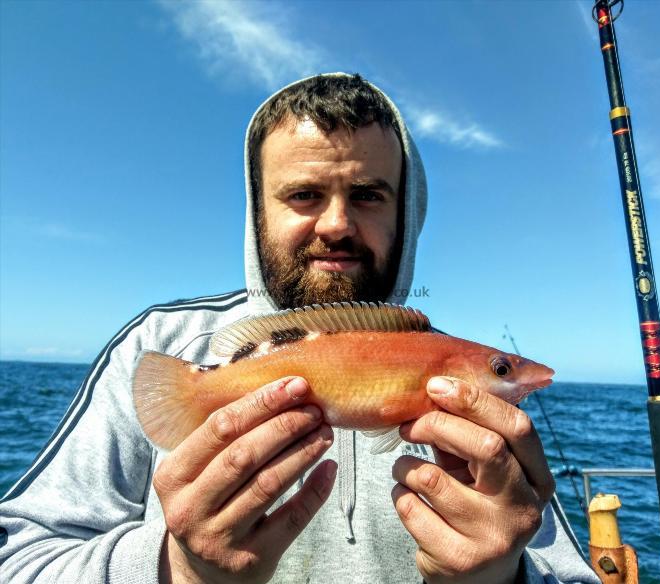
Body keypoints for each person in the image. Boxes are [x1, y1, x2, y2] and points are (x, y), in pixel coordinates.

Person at [0, 73, 599, 584]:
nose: (336, 224)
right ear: (257, 210)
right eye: (305, 194)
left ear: (407, 212)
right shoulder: (162, 346)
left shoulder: (477, 411)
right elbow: (16, 558)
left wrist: (505, 575)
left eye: (367, 195)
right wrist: (170, 569)